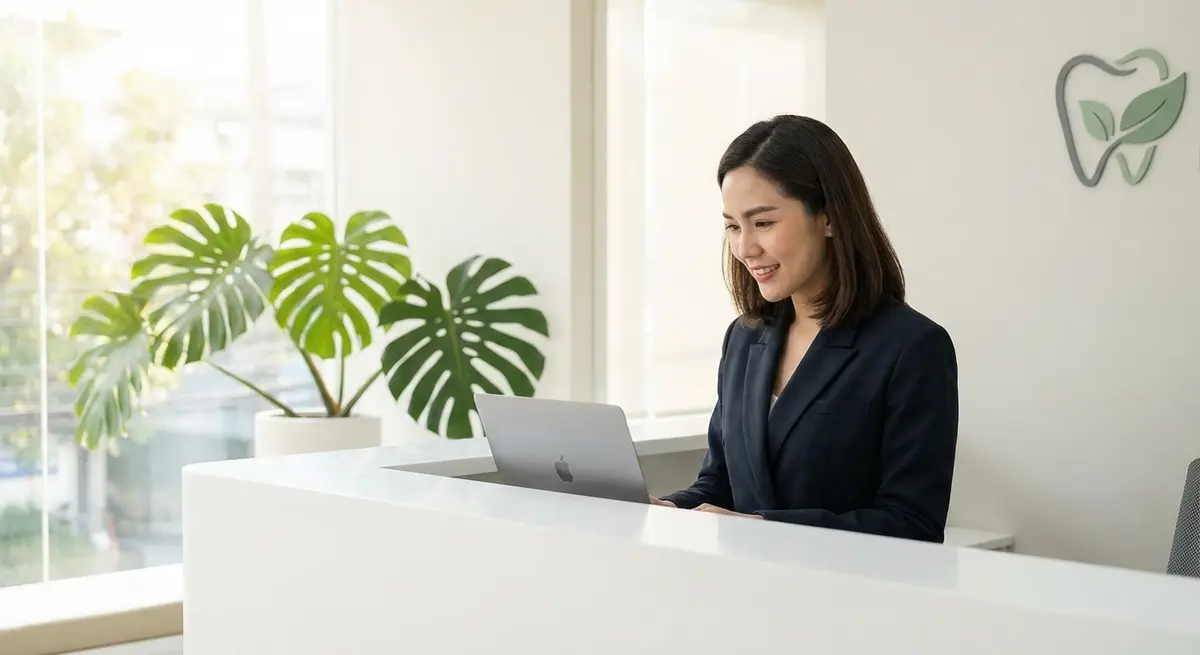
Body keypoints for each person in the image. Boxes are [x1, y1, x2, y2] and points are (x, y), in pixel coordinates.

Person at [653, 115, 959, 543]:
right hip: (746, 596)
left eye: (763, 223)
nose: (745, 248)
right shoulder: (744, 338)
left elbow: (913, 524)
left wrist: (766, 530)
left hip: (847, 598)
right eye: (732, 226)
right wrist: (663, 510)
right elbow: (719, 486)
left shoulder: (912, 348)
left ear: (829, 217)